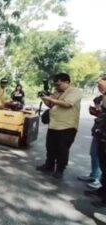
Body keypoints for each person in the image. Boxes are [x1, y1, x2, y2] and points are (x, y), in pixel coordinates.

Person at [36, 73, 83, 178]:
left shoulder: (75, 91)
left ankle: (60, 170)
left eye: (59, 84)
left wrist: (51, 98)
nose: (57, 87)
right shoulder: (57, 92)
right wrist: (44, 97)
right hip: (54, 125)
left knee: (62, 149)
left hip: (68, 126)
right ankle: (49, 165)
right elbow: (50, 105)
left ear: (66, 82)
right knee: (50, 147)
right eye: (55, 85)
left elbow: (67, 104)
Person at [85, 76, 106, 208]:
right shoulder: (101, 97)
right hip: (101, 132)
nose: (99, 87)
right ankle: (102, 191)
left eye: (101, 84)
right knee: (101, 160)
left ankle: (104, 199)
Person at [77, 94, 103, 189]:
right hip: (98, 132)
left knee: (102, 157)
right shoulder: (100, 102)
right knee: (94, 154)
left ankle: (100, 180)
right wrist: (96, 112)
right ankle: (95, 175)